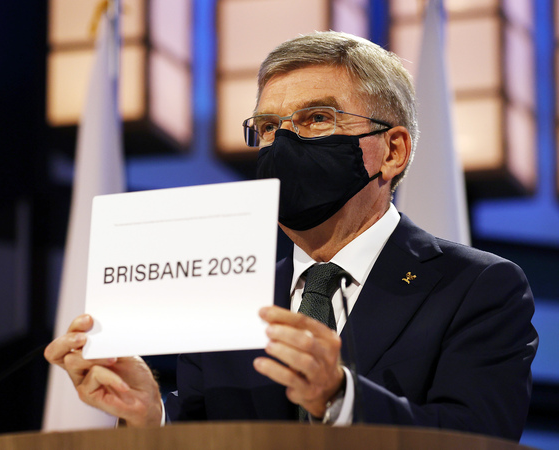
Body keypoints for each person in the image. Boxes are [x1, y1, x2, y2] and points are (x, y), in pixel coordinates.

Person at [45, 31, 538, 440]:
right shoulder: (227, 294)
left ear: (391, 151)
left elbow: (478, 439)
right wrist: (150, 417)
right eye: (266, 127)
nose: (282, 143)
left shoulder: (478, 288)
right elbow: (203, 432)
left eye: (316, 119)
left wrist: (340, 398)